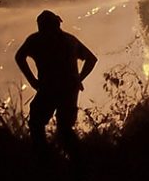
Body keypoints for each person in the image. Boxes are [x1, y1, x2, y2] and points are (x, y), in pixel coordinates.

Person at [15, 10, 98, 157]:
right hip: (67, 89)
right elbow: (91, 59)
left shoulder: (37, 40)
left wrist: (33, 80)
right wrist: (78, 79)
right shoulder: (68, 40)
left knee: (38, 124)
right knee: (63, 129)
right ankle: (77, 161)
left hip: (50, 88)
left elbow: (19, 57)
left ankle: (45, 159)